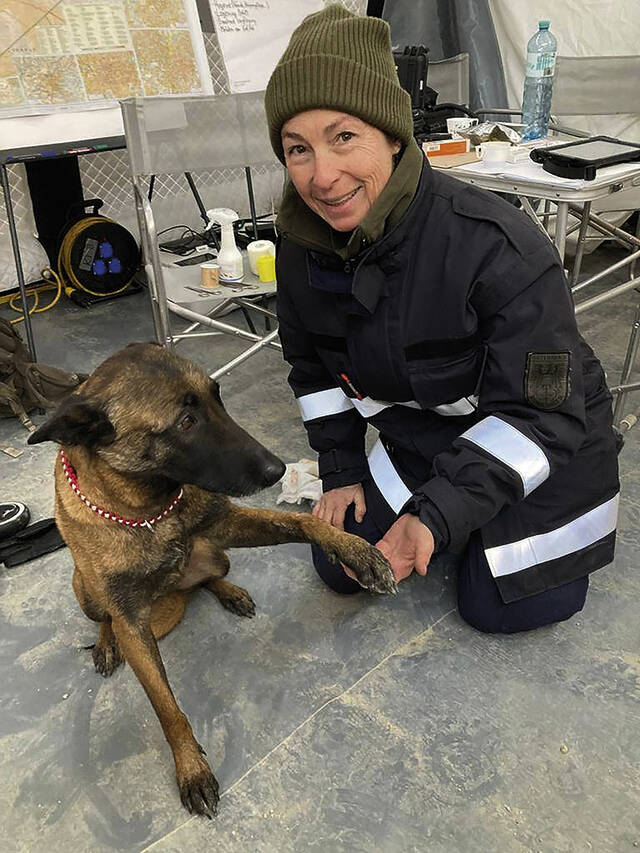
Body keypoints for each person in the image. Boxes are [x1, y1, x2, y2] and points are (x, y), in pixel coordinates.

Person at [263, 5, 620, 633]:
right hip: (427, 435)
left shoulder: (495, 244)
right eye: (298, 149)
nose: (322, 177)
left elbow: (543, 413)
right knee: (340, 566)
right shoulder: (298, 248)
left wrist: (435, 515)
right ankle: (459, 515)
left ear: (393, 135)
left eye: (344, 136)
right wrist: (341, 471)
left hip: (545, 439)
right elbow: (312, 371)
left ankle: (480, 524)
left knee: (500, 608)